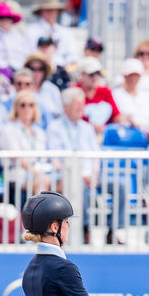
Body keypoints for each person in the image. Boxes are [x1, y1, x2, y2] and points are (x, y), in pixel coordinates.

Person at [46, 86, 99, 241]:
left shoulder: (87, 128)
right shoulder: (55, 127)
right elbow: (55, 159)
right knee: (77, 184)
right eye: (77, 103)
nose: (81, 107)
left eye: (82, 103)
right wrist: (81, 176)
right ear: (65, 106)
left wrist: (94, 175)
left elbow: (96, 156)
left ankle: (115, 232)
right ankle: (85, 229)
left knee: (120, 186)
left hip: (91, 176)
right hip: (70, 175)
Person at [0, 89, 50, 213]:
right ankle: (39, 223)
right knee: (42, 180)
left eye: (31, 105)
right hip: (17, 172)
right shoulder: (9, 129)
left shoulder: (39, 132)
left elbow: (43, 157)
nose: (27, 108)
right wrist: (36, 172)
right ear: (16, 108)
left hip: (39, 170)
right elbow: (17, 158)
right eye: (23, 105)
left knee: (66, 181)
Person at [24, 0, 77, 69]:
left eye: (54, 9)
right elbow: (30, 53)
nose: (51, 12)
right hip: (39, 69)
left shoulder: (66, 32)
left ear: (57, 12)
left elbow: (72, 56)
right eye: (48, 9)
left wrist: (66, 70)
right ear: (41, 11)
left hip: (62, 70)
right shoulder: (31, 30)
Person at [73, 56, 120, 135]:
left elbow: (116, 116)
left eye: (98, 73)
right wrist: (91, 127)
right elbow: (72, 118)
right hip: (81, 135)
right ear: (82, 74)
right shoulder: (74, 91)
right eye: (91, 74)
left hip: (104, 136)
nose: (95, 77)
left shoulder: (105, 91)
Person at [112, 57, 149, 131]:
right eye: (131, 75)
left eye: (136, 75)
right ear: (124, 76)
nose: (133, 78)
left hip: (145, 136)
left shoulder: (145, 96)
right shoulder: (115, 94)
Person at [24, 53, 63, 124]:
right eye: (32, 69)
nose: (36, 73)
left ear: (45, 71)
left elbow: (61, 113)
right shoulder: (23, 88)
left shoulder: (52, 89)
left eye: (40, 69)